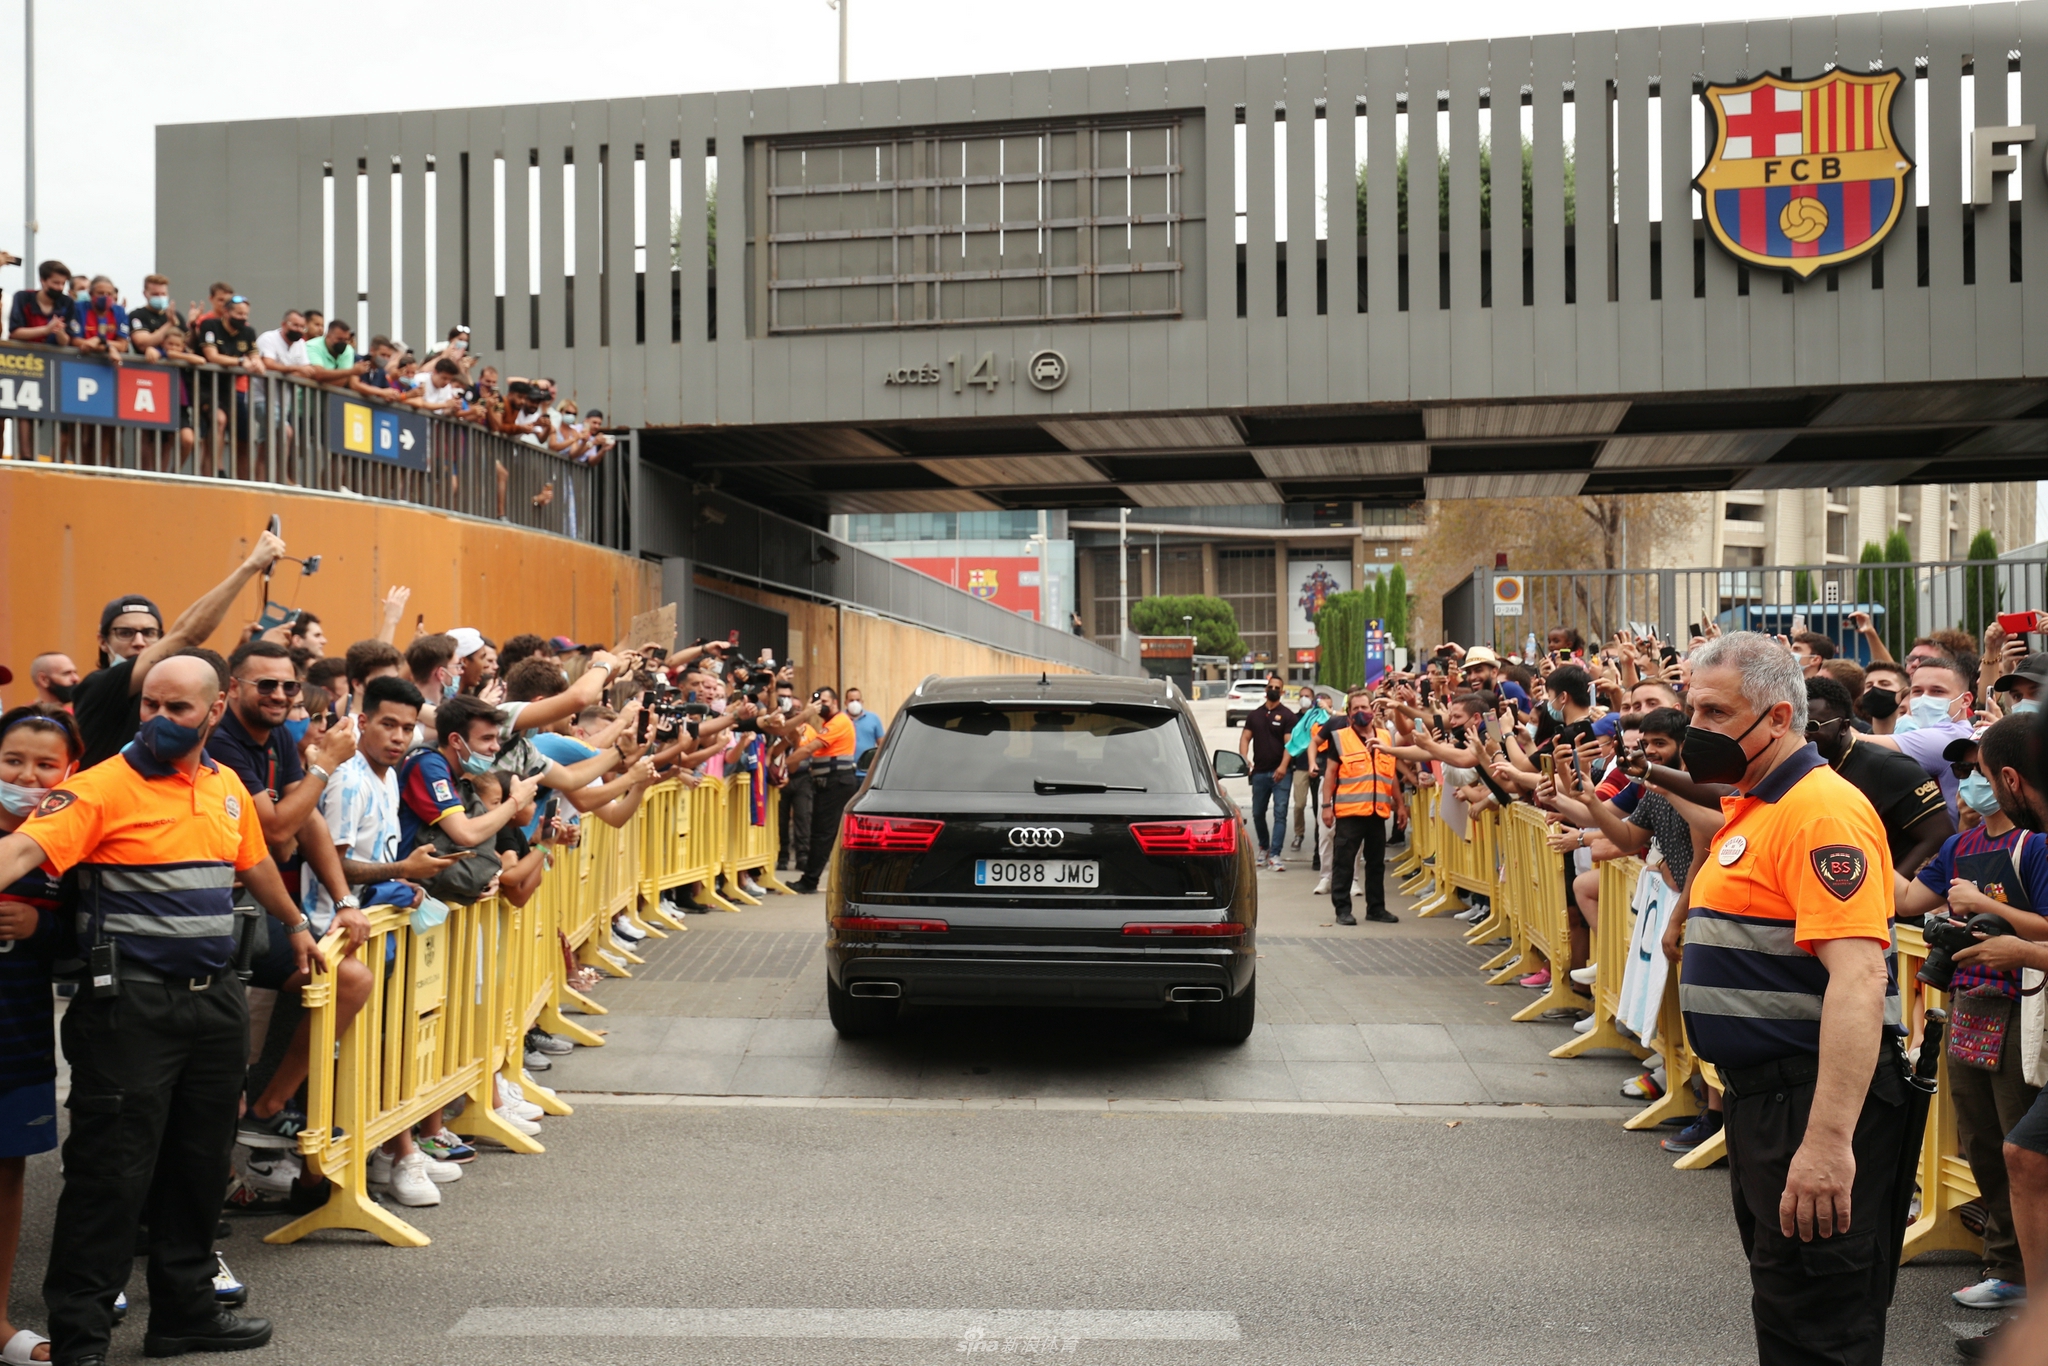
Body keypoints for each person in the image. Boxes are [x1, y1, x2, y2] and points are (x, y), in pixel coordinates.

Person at [0, 655, 318, 1362]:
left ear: (214, 711)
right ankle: (81, 1336)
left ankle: (185, 1313)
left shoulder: (226, 785)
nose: (158, 720)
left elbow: (253, 861)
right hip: (129, 1010)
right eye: (150, 705)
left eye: (177, 709)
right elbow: (21, 849)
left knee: (200, 1166)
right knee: (110, 1175)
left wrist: (296, 924)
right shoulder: (99, 787)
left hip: (215, 1001)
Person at [1674, 631, 1910, 1366]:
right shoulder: (1758, 804)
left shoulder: (1821, 812)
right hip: (1764, 1101)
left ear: (1778, 717)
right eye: (1694, 709)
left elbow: (1859, 977)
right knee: (1788, 1308)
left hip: (1807, 1101)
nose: (1695, 728)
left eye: (1715, 713)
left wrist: (1828, 1141)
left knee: (1819, 1324)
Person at [1890, 721, 2048, 1332]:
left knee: (2022, 1141)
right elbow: (1907, 901)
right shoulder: (1960, 846)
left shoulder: (2034, 846)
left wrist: (1987, 908)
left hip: (2022, 1006)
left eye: (1979, 770)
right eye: (1961, 771)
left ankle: (2025, 1280)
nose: (1970, 782)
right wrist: (1858, 839)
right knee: (1983, 1140)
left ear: (2008, 777)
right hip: (1967, 1004)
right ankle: (2006, 1265)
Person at [0, 707, 81, 1366]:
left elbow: (82, 938)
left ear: (69, 772)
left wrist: (40, 927)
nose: (27, 776)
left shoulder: (69, 845)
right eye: (12, 761)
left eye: (44, 765)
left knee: (7, 1174)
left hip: (21, 1039)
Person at [71, 530, 288, 768]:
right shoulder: (99, 686)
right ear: (103, 641)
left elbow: (205, 681)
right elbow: (187, 634)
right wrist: (250, 565)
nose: (139, 642)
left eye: (149, 633)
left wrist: (245, 650)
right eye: (125, 633)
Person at [1805, 675, 1953, 876]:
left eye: (1812, 726)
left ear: (1844, 727)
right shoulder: (1803, 767)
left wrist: (1890, 887)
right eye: (1796, 724)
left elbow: (1939, 835)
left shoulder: (1889, 767)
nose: (1802, 733)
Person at [1318, 687, 1400, 926]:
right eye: (1355, 708)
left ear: (1372, 709)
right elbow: (1330, 773)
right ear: (1349, 713)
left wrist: (1400, 804)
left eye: (1364, 707)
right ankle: (1342, 909)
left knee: (1376, 864)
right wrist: (1326, 806)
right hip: (1349, 813)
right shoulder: (1340, 737)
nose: (1360, 712)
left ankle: (1376, 908)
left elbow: (1391, 772)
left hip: (1377, 811)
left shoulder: (1385, 737)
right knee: (1343, 863)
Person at [1861, 655, 1976, 817]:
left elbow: (1859, 744)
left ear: (1965, 700)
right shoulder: (1927, 732)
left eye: (1937, 691)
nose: (1924, 699)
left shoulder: (1951, 736)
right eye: (1917, 691)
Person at [790, 687, 856, 896]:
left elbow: (809, 749)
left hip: (836, 783)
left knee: (823, 834)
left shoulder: (839, 722)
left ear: (835, 702)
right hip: (830, 783)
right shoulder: (827, 725)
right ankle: (811, 878)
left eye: (824, 702)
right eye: (817, 702)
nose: (820, 706)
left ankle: (810, 881)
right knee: (822, 833)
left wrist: (782, 765)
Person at [1238, 678, 1297, 872]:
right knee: (1257, 813)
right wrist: (1244, 759)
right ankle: (1264, 847)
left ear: (1282, 692)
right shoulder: (1255, 715)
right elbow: (1245, 738)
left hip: (1281, 774)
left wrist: (1283, 766)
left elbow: (1290, 744)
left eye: (1277, 688)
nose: (1273, 690)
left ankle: (1275, 855)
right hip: (1259, 773)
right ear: (1265, 690)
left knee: (1280, 814)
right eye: (1270, 687)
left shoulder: (1288, 716)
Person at [1287, 686, 1329, 855]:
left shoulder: (1324, 718)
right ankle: (1299, 833)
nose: (1304, 698)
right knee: (1299, 804)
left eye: (1307, 696)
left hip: (1320, 767)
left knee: (1319, 806)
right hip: (1301, 766)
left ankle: (1320, 838)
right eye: (1301, 696)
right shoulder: (1294, 719)